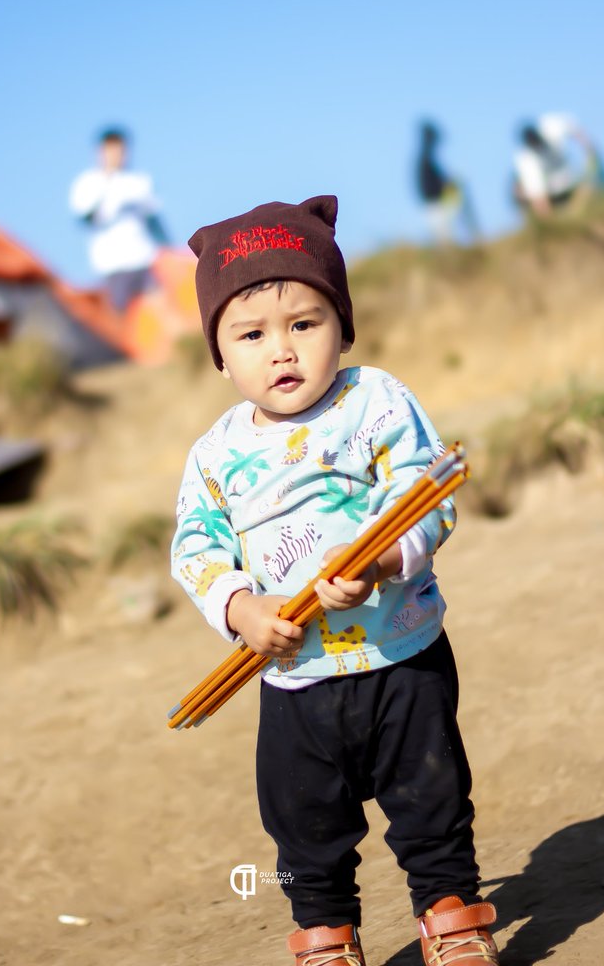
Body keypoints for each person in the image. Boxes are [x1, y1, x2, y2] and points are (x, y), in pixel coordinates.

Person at [171, 195, 499, 966]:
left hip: (401, 654)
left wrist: (378, 561)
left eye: (304, 324)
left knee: (431, 799)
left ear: (342, 327)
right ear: (220, 353)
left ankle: (451, 914)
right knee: (302, 825)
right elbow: (196, 548)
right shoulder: (215, 454)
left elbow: (428, 496)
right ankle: (325, 934)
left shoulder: (373, 400)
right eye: (251, 335)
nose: (281, 351)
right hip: (295, 677)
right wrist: (242, 610)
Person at [68, 127, 171, 313]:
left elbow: (154, 220)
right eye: (111, 150)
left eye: (120, 150)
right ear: (100, 152)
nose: (116, 155)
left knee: (160, 311)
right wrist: (107, 183)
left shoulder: (140, 181)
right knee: (119, 316)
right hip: (113, 265)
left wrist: (168, 249)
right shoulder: (89, 182)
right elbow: (85, 218)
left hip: (145, 261)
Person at [513, 114, 604, 217]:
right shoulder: (526, 161)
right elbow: (539, 198)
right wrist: (549, 220)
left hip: (570, 177)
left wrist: (589, 150)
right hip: (552, 191)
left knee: (595, 177)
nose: (539, 147)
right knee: (519, 190)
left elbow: (575, 131)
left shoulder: (551, 127)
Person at [415, 121, 478, 244]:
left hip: (437, 204)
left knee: (446, 236)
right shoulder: (425, 160)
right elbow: (431, 186)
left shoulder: (426, 159)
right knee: (444, 237)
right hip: (436, 205)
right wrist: (447, 185)